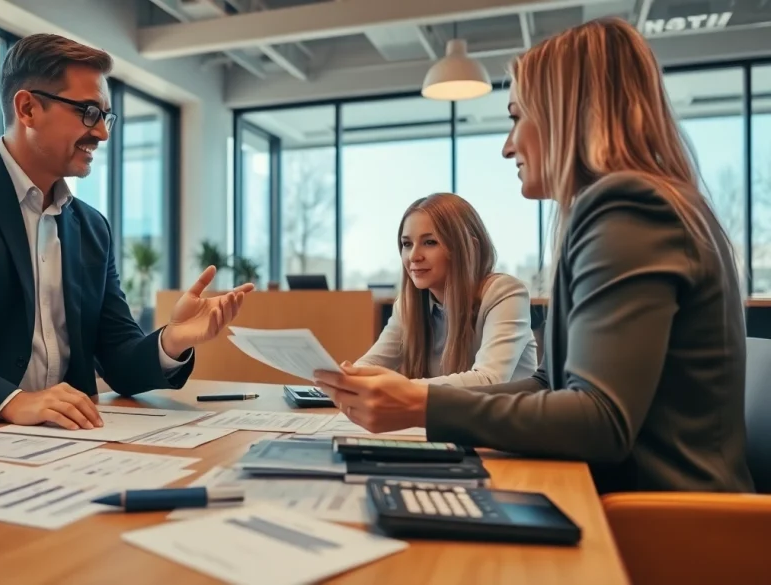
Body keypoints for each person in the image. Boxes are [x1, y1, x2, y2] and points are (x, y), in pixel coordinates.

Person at [315, 17, 754, 494]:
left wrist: (423, 406)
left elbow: (600, 419)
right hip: (632, 499)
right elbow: (551, 384)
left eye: (515, 117)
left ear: (566, 113)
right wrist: (419, 402)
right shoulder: (634, 206)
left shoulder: (628, 207)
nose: (508, 147)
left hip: (662, 521)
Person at [0, 34, 252, 434]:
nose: (102, 134)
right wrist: (12, 402)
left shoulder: (92, 227)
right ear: (27, 108)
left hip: (50, 442)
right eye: (89, 112)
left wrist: (173, 340)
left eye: (105, 117)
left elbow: (119, 360)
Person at [355, 193, 536, 387]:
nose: (414, 256)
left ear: (470, 247)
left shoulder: (505, 294)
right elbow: (370, 366)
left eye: (430, 242)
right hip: (449, 418)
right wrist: (345, 378)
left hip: (504, 417)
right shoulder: (409, 306)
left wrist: (399, 388)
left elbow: (488, 379)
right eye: (407, 244)